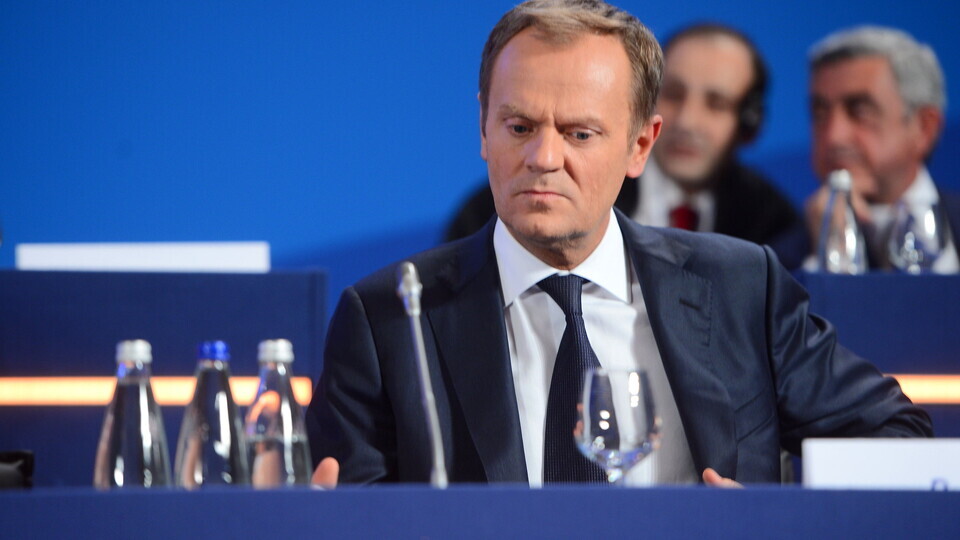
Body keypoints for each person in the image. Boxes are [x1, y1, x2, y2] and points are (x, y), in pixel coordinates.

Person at [307, 0, 931, 488]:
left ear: (640, 145)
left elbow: (900, 436)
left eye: (579, 134)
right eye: (519, 127)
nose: (543, 157)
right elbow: (353, 510)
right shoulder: (390, 318)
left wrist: (775, 520)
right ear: (483, 127)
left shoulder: (742, 287)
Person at [444, 23, 807, 269]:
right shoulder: (507, 205)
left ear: (749, 125)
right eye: (673, 94)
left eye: (716, 104)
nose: (687, 121)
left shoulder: (772, 227)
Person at [805, 26, 960, 272]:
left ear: (924, 127)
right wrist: (830, 259)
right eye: (820, 113)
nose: (834, 136)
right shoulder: (778, 261)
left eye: (860, 111)